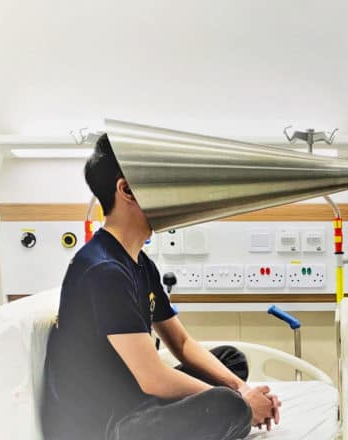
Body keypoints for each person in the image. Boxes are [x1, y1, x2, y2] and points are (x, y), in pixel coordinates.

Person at [41, 134, 280, 440]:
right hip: (106, 426)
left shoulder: (139, 263)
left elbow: (180, 343)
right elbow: (153, 378)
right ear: (126, 190)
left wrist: (243, 389)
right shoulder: (104, 270)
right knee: (228, 407)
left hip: (133, 399)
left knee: (231, 361)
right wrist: (243, 404)